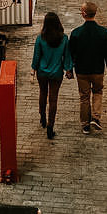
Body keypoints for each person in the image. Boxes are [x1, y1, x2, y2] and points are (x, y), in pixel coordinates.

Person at [67, 1, 107, 134]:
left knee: (84, 97)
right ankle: (96, 118)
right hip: (98, 70)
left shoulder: (76, 33)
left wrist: (69, 70)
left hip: (81, 71)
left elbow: (70, 54)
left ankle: (85, 125)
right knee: (98, 93)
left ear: (83, 14)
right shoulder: (104, 33)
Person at [30, 11, 74, 140]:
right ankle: (50, 126)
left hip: (42, 72)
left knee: (43, 93)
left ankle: (42, 117)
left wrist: (33, 69)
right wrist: (68, 70)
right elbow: (67, 57)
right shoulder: (64, 38)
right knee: (53, 99)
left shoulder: (40, 38)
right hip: (56, 73)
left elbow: (36, 56)